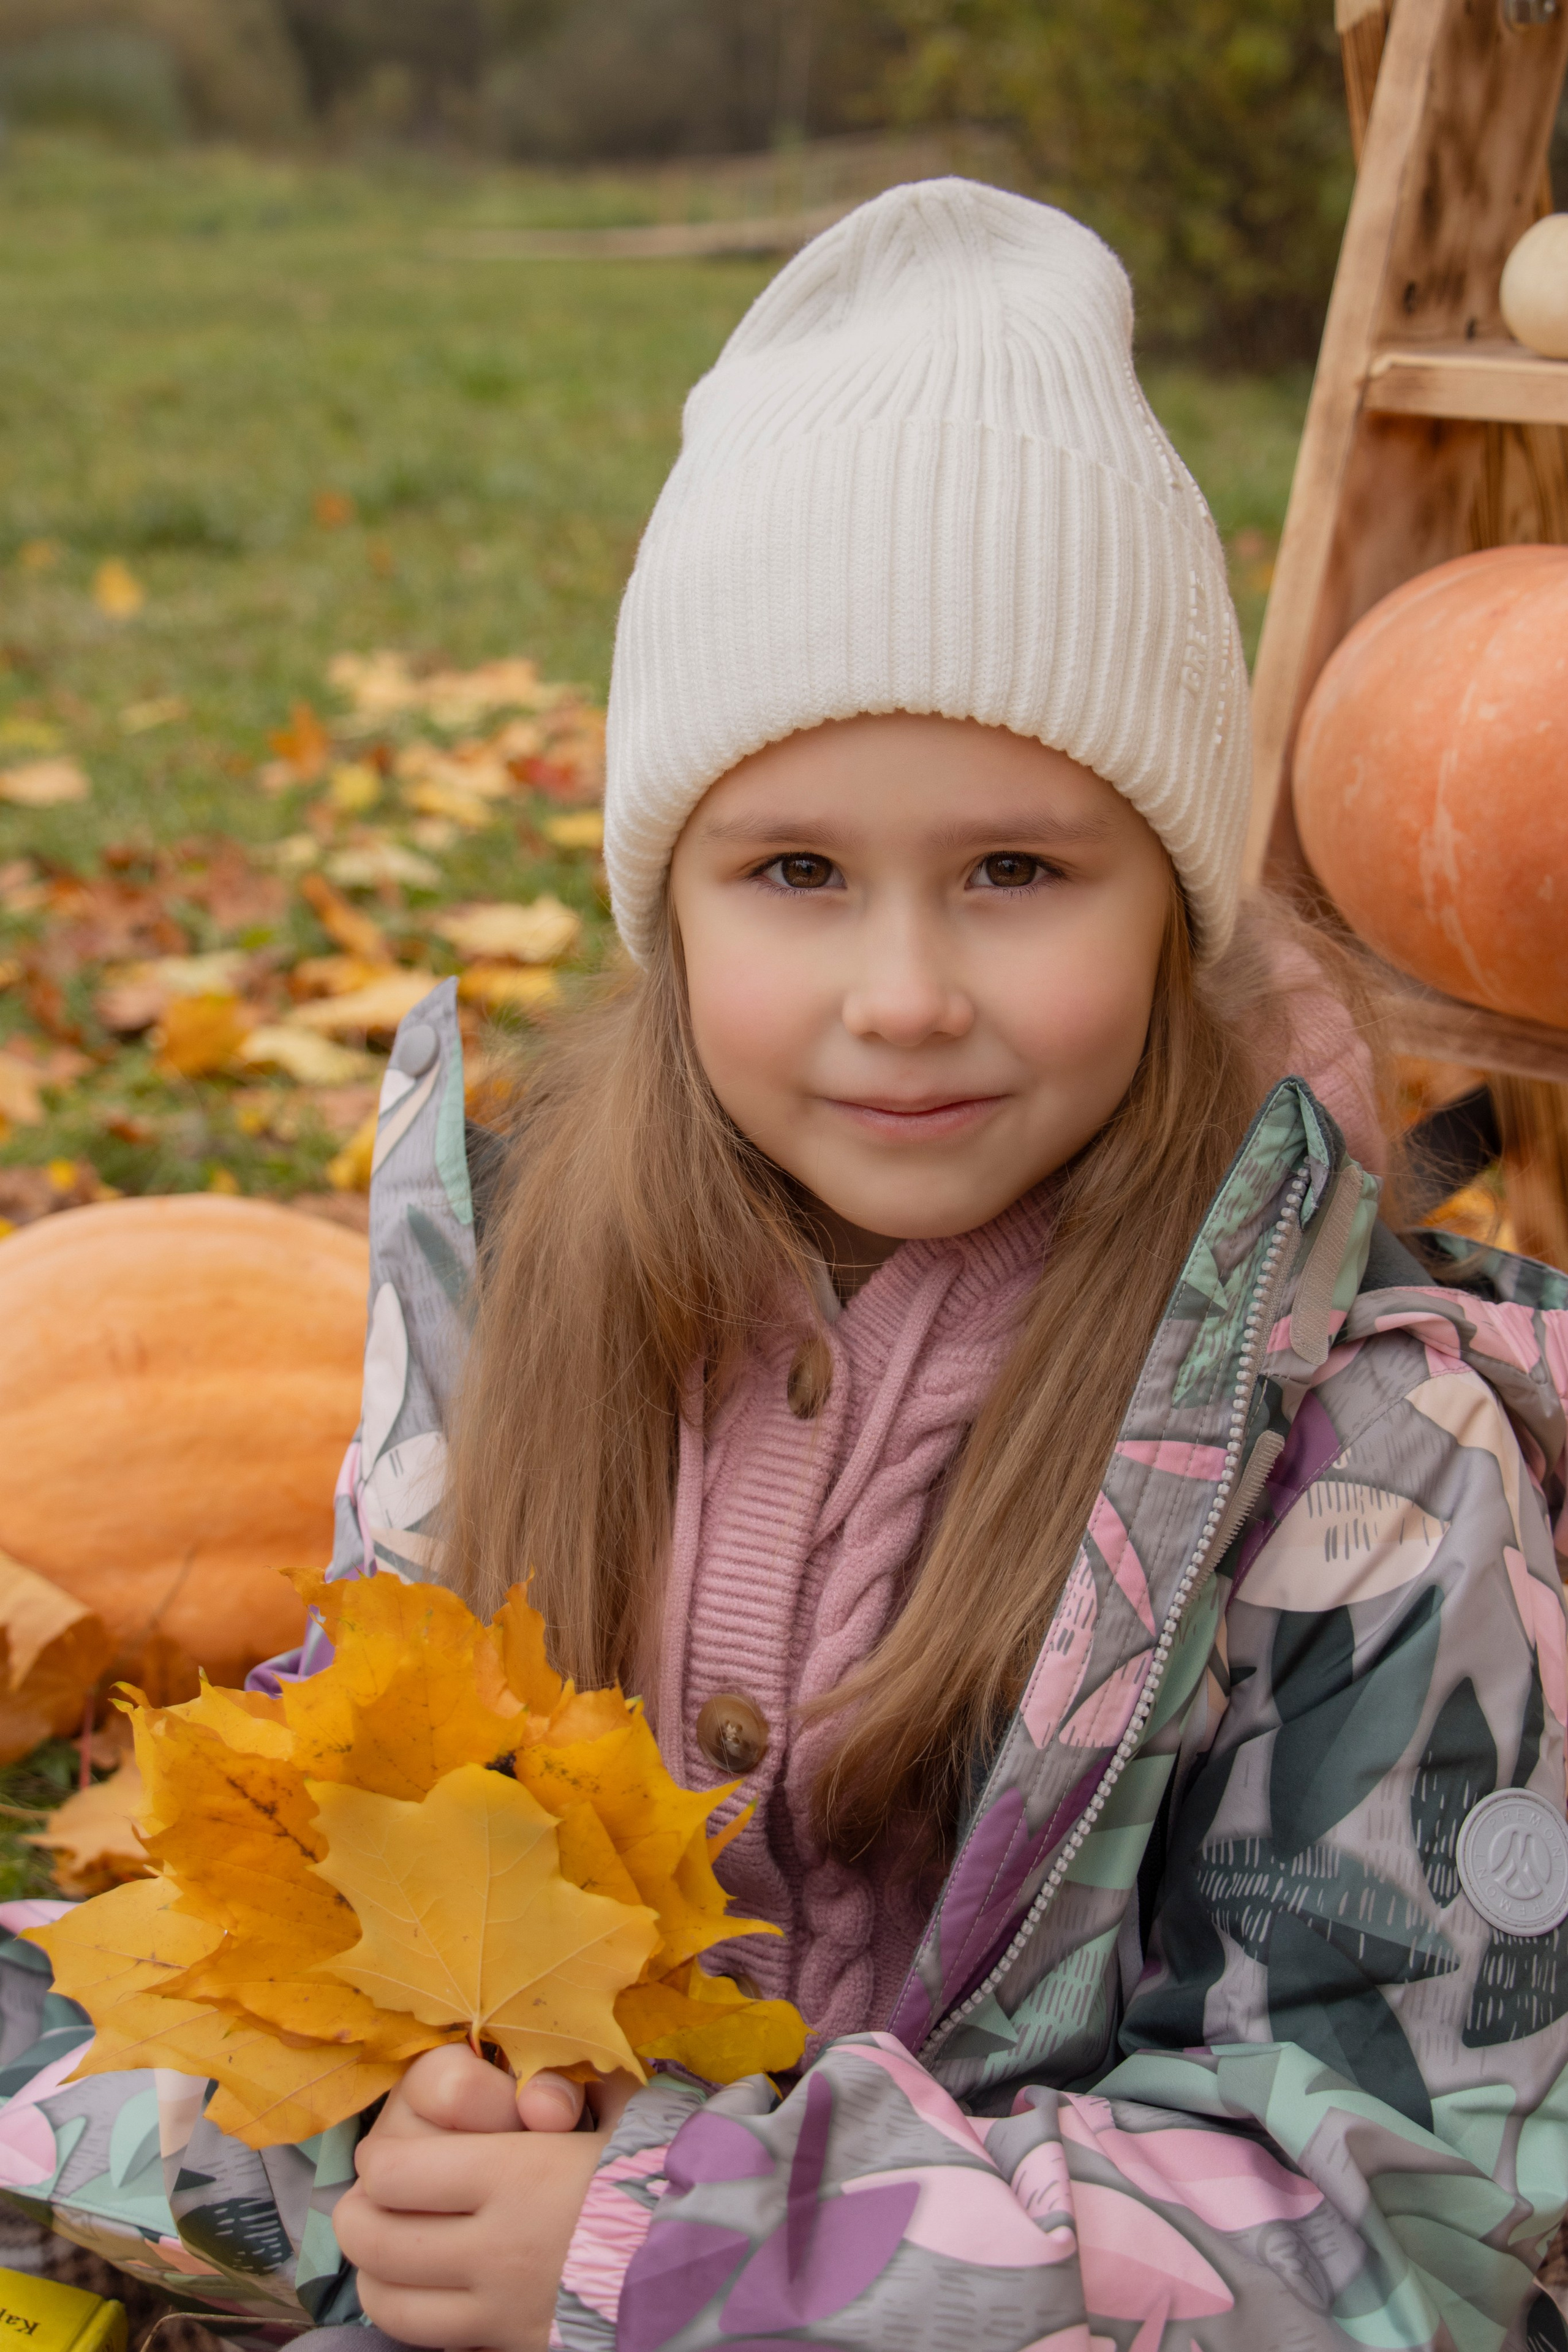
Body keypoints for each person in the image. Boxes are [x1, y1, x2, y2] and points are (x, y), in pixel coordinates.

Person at [4, 178, 1568, 2352]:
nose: (904, 991)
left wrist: (662, 2248)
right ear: (673, 904)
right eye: (798, 871)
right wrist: (379, 2137)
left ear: (1173, 908)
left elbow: (1401, 2226)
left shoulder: (1365, 1465)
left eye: (1017, 868)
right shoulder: (530, 1308)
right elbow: (336, 1840)